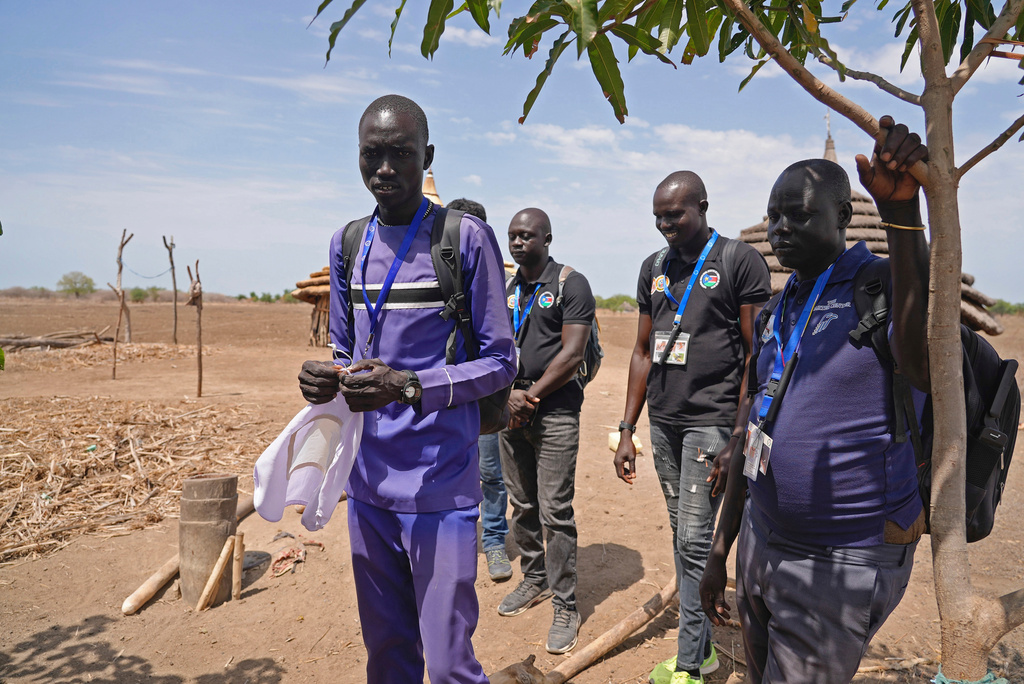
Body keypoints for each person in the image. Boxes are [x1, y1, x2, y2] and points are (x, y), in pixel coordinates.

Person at [699, 116, 930, 684]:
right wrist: (720, 550)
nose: (779, 228)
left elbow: (922, 343)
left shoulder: (879, 285)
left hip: (840, 558)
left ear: (844, 216)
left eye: (797, 214)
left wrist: (903, 213)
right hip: (761, 538)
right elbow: (753, 428)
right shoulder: (782, 307)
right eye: (773, 215)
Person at [297, 95, 516, 684]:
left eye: (401, 153)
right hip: (367, 485)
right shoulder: (348, 244)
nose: (385, 168)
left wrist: (412, 385)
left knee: (447, 665)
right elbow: (345, 352)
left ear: (429, 157)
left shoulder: (462, 240)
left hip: (440, 483)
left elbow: (500, 362)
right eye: (373, 154)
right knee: (388, 657)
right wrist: (323, 377)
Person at [614, 171, 771, 684]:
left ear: (702, 206)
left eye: (675, 214)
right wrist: (626, 427)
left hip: (712, 422)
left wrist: (737, 435)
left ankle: (689, 666)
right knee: (685, 535)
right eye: (658, 216)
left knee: (695, 540)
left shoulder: (736, 261)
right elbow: (641, 351)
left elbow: (754, 355)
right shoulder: (653, 268)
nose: (665, 224)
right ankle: (702, 649)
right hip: (664, 423)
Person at [496, 207, 596, 655]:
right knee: (522, 503)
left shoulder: (570, 284)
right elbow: (495, 347)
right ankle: (534, 578)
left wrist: (528, 395)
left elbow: (573, 353)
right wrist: (507, 399)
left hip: (554, 413)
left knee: (556, 510)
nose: (518, 243)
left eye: (527, 236)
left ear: (547, 238)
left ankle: (566, 603)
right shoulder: (510, 289)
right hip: (509, 412)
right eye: (513, 236)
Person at [446, 197, 514, 582]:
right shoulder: (435, 277)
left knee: (490, 473)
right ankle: (454, 543)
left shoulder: (500, 286)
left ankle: (492, 542)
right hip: (439, 394)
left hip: (483, 394)